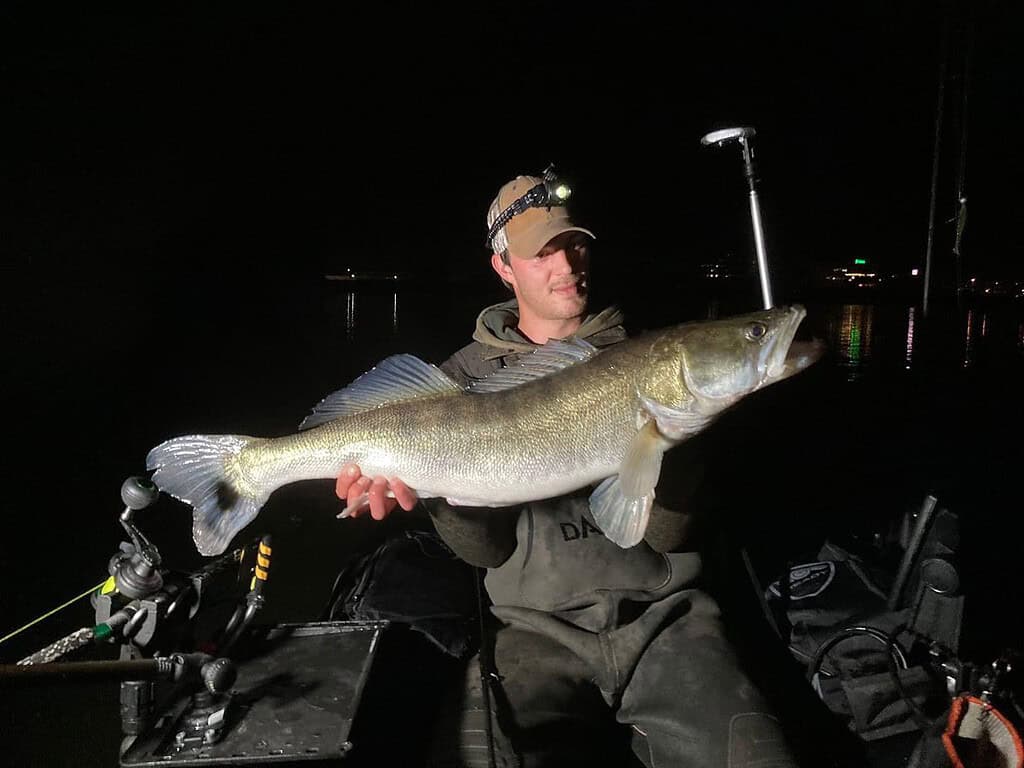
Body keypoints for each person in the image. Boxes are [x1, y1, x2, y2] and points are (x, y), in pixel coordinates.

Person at [334, 171, 803, 767]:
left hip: (669, 620)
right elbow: (487, 555)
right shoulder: (460, 382)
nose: (567, 265)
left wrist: (677, 439)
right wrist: (434, 491)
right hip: (531, 631)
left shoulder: (642, 352)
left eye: (574, 243)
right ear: (504, 267)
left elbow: (662, 536)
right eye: (541, 252)